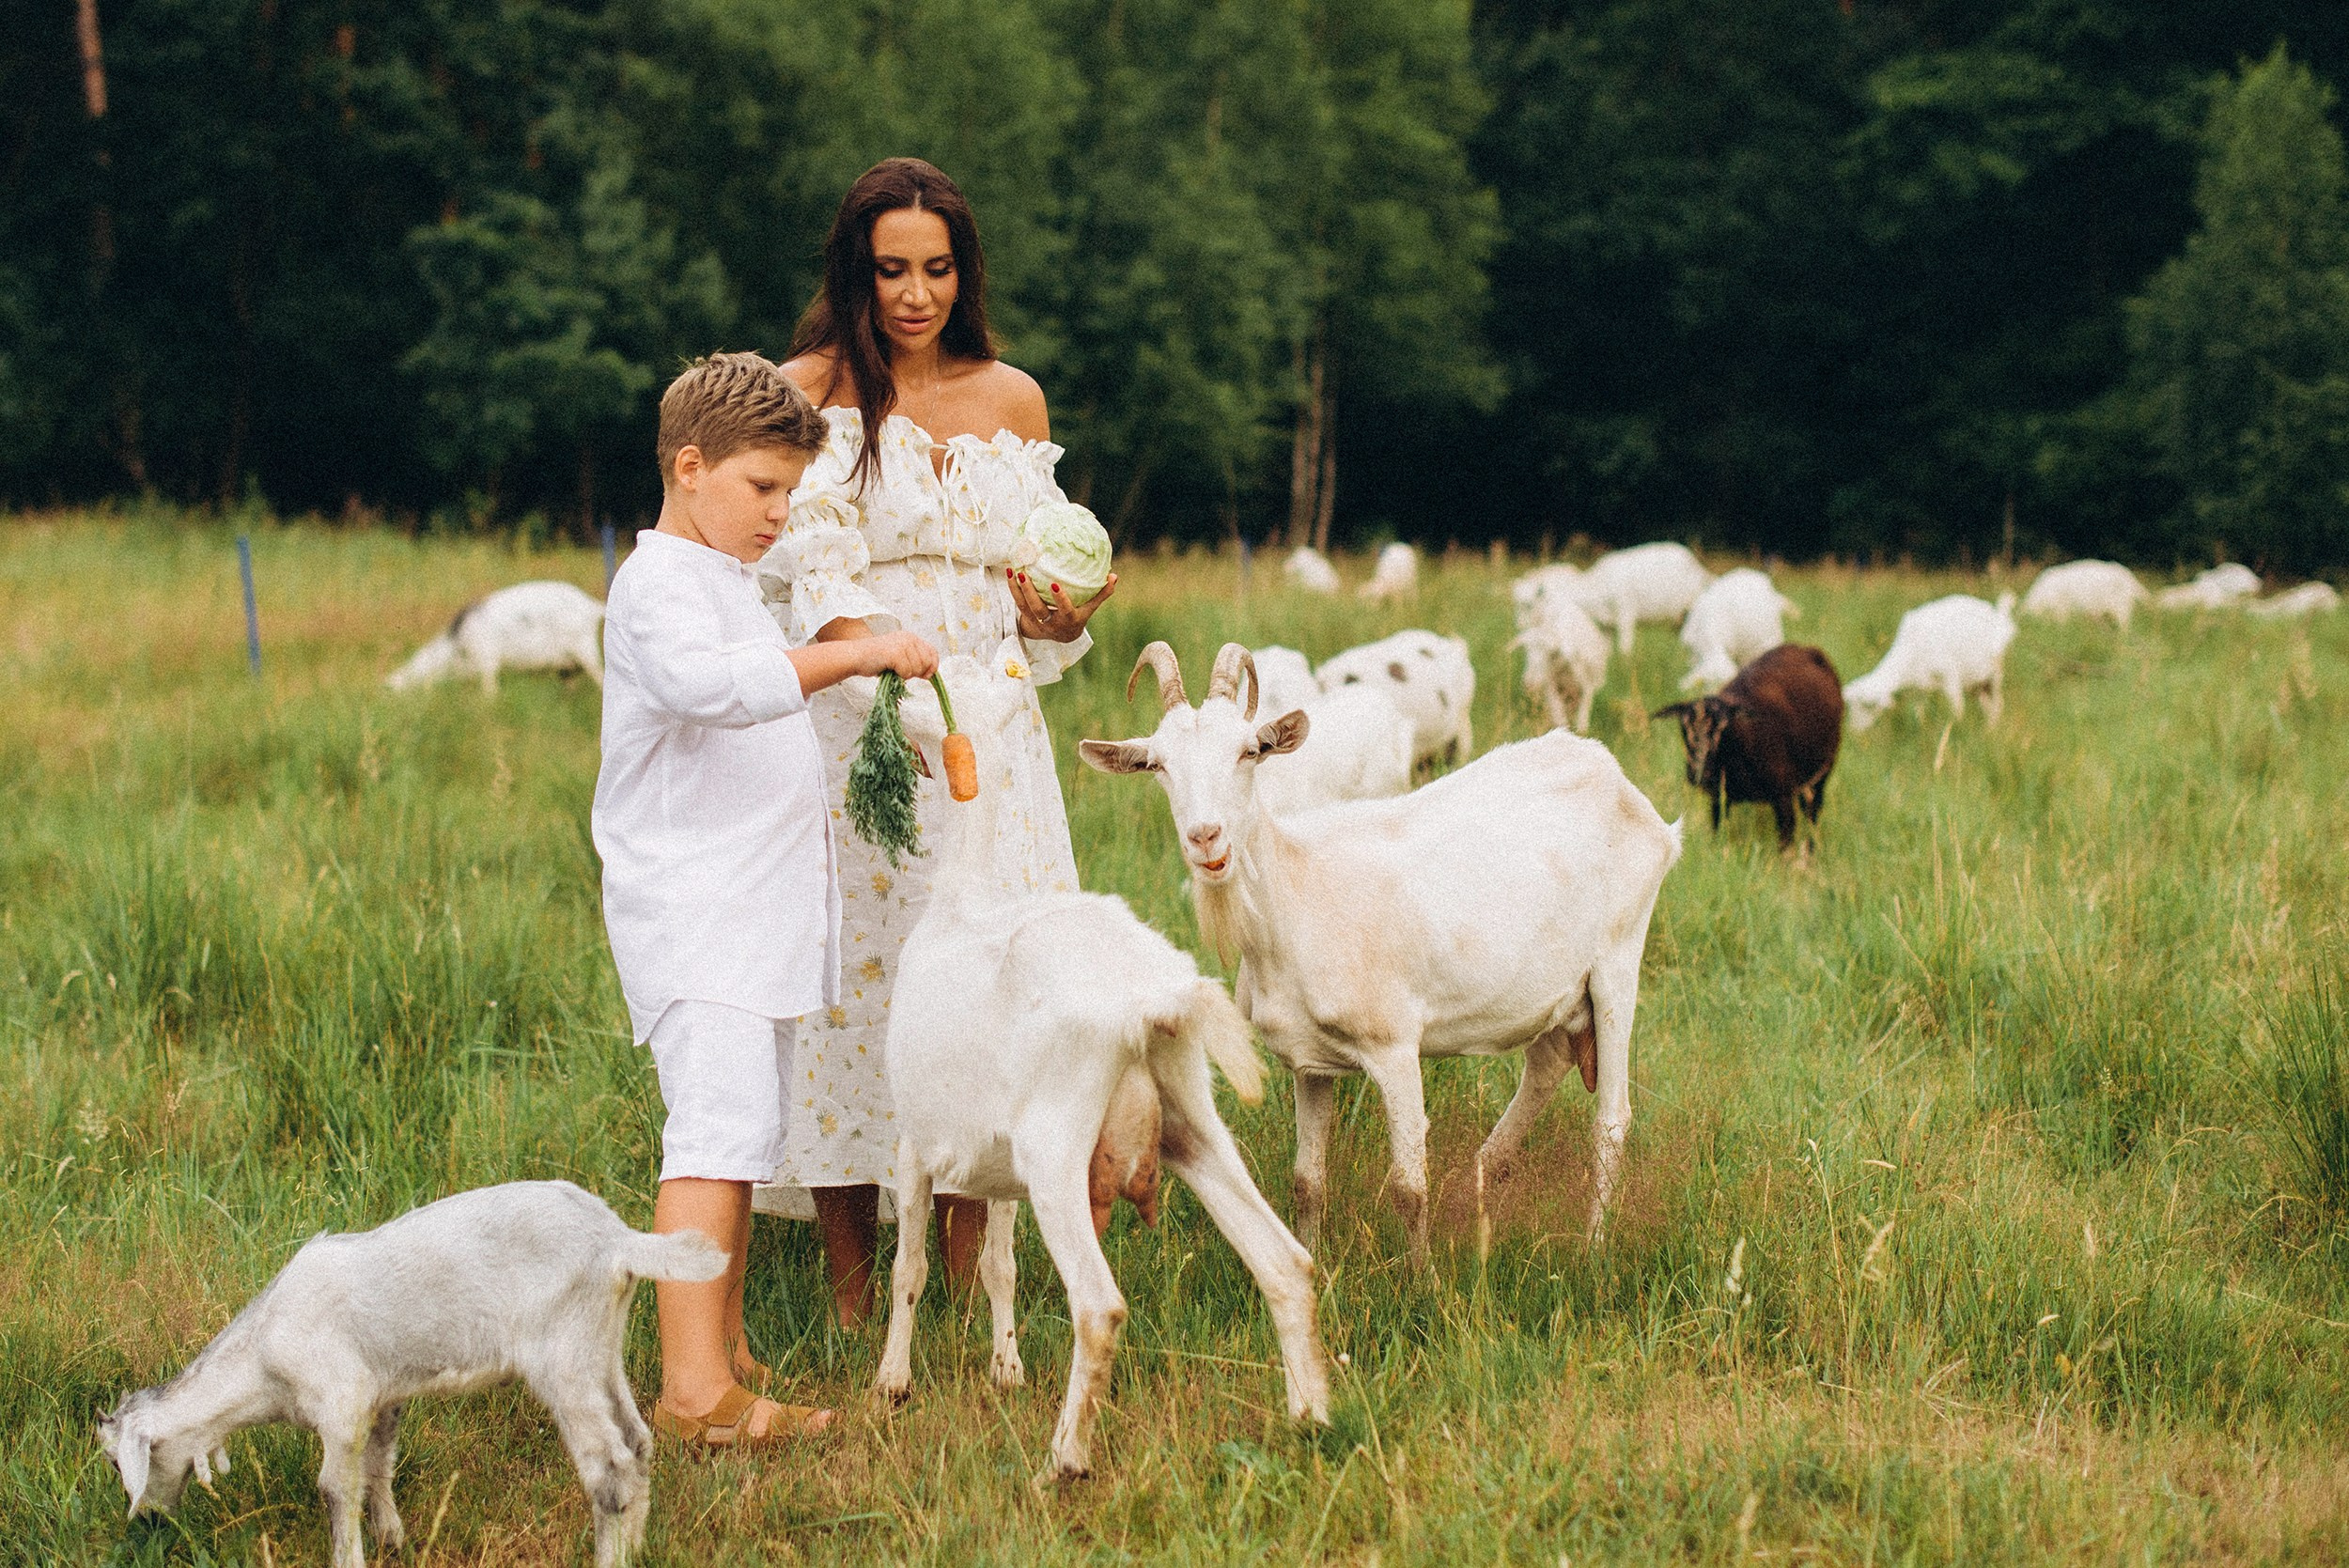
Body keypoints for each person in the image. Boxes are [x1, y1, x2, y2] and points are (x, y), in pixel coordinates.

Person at [754, 158, 1116, 1325]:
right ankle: (855, 1290)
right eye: (892, 270)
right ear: (855, 272)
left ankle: (968, 1275)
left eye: (938, 268)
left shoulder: (1012, 398)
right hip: (862, 719)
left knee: (992, 982)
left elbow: (1028, 583)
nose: (916, 295)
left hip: (993, 716)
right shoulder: (807, 389)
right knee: (862, 988)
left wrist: (1057, 616)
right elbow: (806, 578)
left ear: (965, 270)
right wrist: (885, 696)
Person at [595, 350, 940, 1448]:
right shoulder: (656, 587)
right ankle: (693, 1392)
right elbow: (716, 692)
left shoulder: (726, 583)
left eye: (791, 491)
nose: (779, 513)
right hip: (695, 916)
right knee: (711, 1135)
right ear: (689, 467)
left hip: (750, 916)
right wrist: (857, 655)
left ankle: (725, 1348)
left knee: (748, 1133)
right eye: (761, 488)